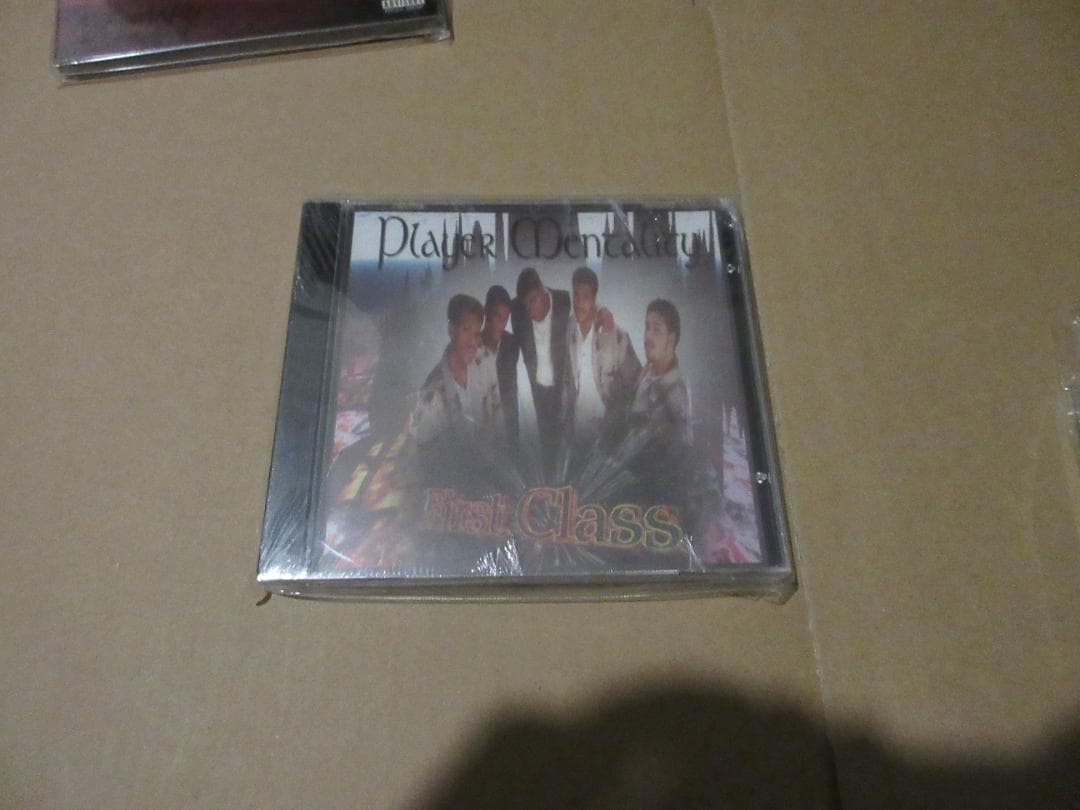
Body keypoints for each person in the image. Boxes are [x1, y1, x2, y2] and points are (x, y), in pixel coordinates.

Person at [566, 267, 641, 444]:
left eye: (585, 296)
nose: (578, 302)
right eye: (575, 295)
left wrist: (616, 418)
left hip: (609, 433)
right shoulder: (568, 330)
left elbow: (636, 384)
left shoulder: (616, 336)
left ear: (594, 299)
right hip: (577, 431)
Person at [510, 268, 572, 476]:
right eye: (525, 304)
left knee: (569, 438)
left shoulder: (564, 302)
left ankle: (567, 482)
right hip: (538, 390)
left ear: (543, 292)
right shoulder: (517, 310)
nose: (528, 309)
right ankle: (549, 483)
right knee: (546, 442)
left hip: (562, 387)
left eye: (532, 301)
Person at [408, 294, 485, 445]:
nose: (472, 342)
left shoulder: (481, 366)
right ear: (451, 330)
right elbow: (423, 449)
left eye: (476, 334)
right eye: (466, 330)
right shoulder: (432, 394)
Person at [472, 285, 520, 443]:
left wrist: (514, 435)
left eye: (505, 318)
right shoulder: (470, 346)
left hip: (505, 429)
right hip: (478, 429)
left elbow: (511, 391)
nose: (502, 323)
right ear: (486, 311)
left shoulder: (511, 343)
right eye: (497, 316)